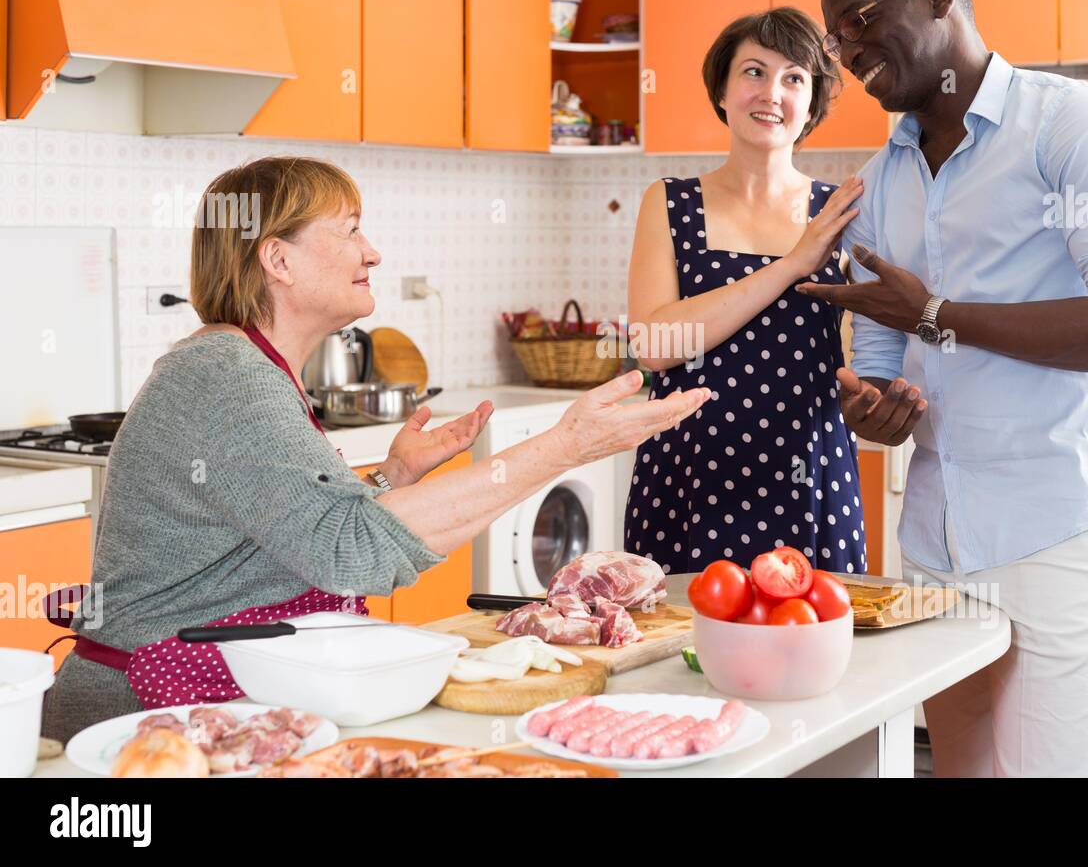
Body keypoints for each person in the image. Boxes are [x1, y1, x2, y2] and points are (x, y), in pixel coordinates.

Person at [41, 156, 707, 742]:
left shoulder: (248, 367)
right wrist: (566, 445)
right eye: (351, 228)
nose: (373, 252)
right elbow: (352, 552)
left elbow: (305, 542)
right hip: (142, 724)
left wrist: (391, 480)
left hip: (212, 706)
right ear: (278, 259)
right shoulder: (228, 376)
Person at [802, 0, 1088, 777]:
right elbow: (880, 369)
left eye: (859, 20)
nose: (848, 51)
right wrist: (873, 412)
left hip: (1070, 532)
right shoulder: (880, 182)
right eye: (835, 40)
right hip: (938, 545)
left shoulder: (1073, 124)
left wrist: (937, 314)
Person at [624, 7, 868, 574]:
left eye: (794, 78)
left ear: (812, 103)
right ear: (723, 91)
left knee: (813, 652)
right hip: (687, 478)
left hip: (811, 474)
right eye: (753, 72)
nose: (772, 93)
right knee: (678, 654)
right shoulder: (669, 201)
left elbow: (866, 352)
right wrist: (790, 266)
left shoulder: (842, 213)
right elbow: (655, 345)